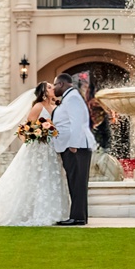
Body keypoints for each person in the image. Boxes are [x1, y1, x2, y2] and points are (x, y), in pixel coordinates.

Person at [0, 81, 71, 226]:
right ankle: (33, 212)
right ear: (44, 92)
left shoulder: (56, 106)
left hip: (52, 148)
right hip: (38, 149)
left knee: (52, 176)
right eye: (49, 87)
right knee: (36, 178)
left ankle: (55, 212)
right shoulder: (38, 107)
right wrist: (39, 132)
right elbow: (27, 129)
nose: (52, 88)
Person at [51, 71, 97, 225]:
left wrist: (73, 145)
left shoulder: (72, 98)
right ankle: (79, 216)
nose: (54, 89)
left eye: (55, 85)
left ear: (61, 84)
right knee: (75, 181)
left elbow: (77, 123)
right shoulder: (70, 98)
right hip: (73, 146)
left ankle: (77, 217)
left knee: (78, 182)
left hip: (77, 147)